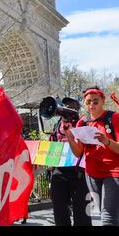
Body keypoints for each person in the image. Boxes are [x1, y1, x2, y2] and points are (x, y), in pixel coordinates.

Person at [63, 86, 119, 226]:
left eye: (95, 101)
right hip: (93, 175)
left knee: (108, 219)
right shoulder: (82, 122)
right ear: (84, 103)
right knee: (111, 217)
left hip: (116, 174)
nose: (92, 105)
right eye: (88, 102)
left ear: (103, 101)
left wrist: (106, 141)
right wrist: (69, 136)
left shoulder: (114, 118)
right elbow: (78, 152)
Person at [48, 97, 92, 226]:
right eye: (64, 104)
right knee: (59, 209)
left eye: (70, 104)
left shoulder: (83, 123)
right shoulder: (57, 126)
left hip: (80, 172)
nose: (66, 106)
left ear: (76, 108)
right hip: (59, 171)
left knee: (82, 211)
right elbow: (52, 144)